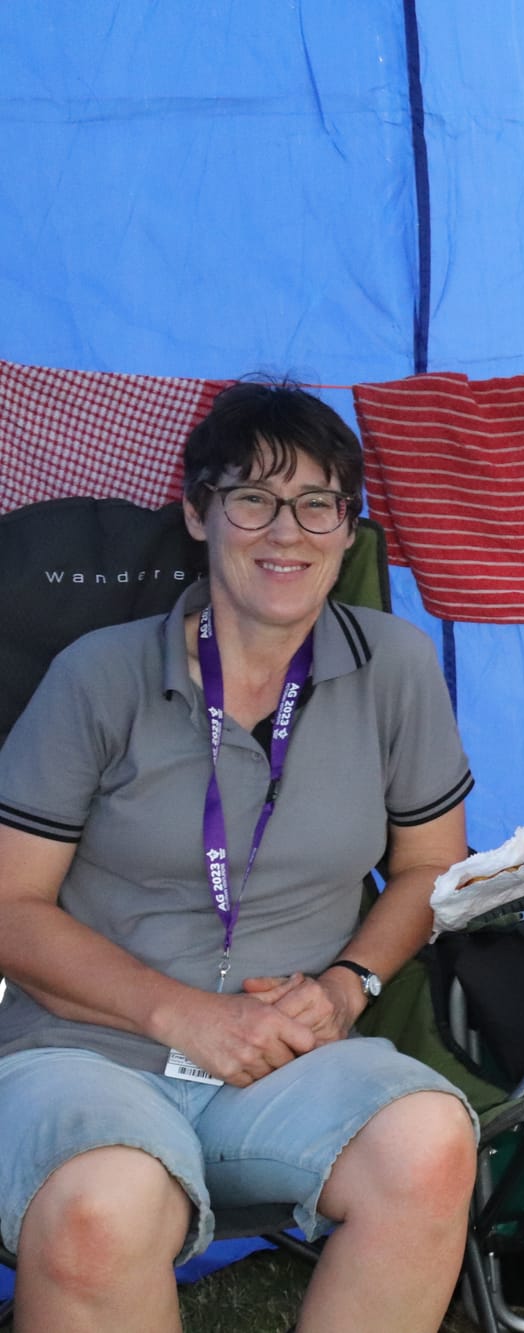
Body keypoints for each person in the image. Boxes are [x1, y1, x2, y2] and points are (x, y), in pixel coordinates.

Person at [0, 383, 480, 1332]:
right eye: (252, 497)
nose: (285, 530)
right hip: (87, 1048)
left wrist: (348, 985)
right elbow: (10, 905)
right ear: (196, 511)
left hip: (285, 1056)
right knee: (106, 1206)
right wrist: (187, 1017)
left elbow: (432, 869)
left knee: (427, 1141)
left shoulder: (395, 666)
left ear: (349, 530)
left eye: (318, 503)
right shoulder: (98, 674)